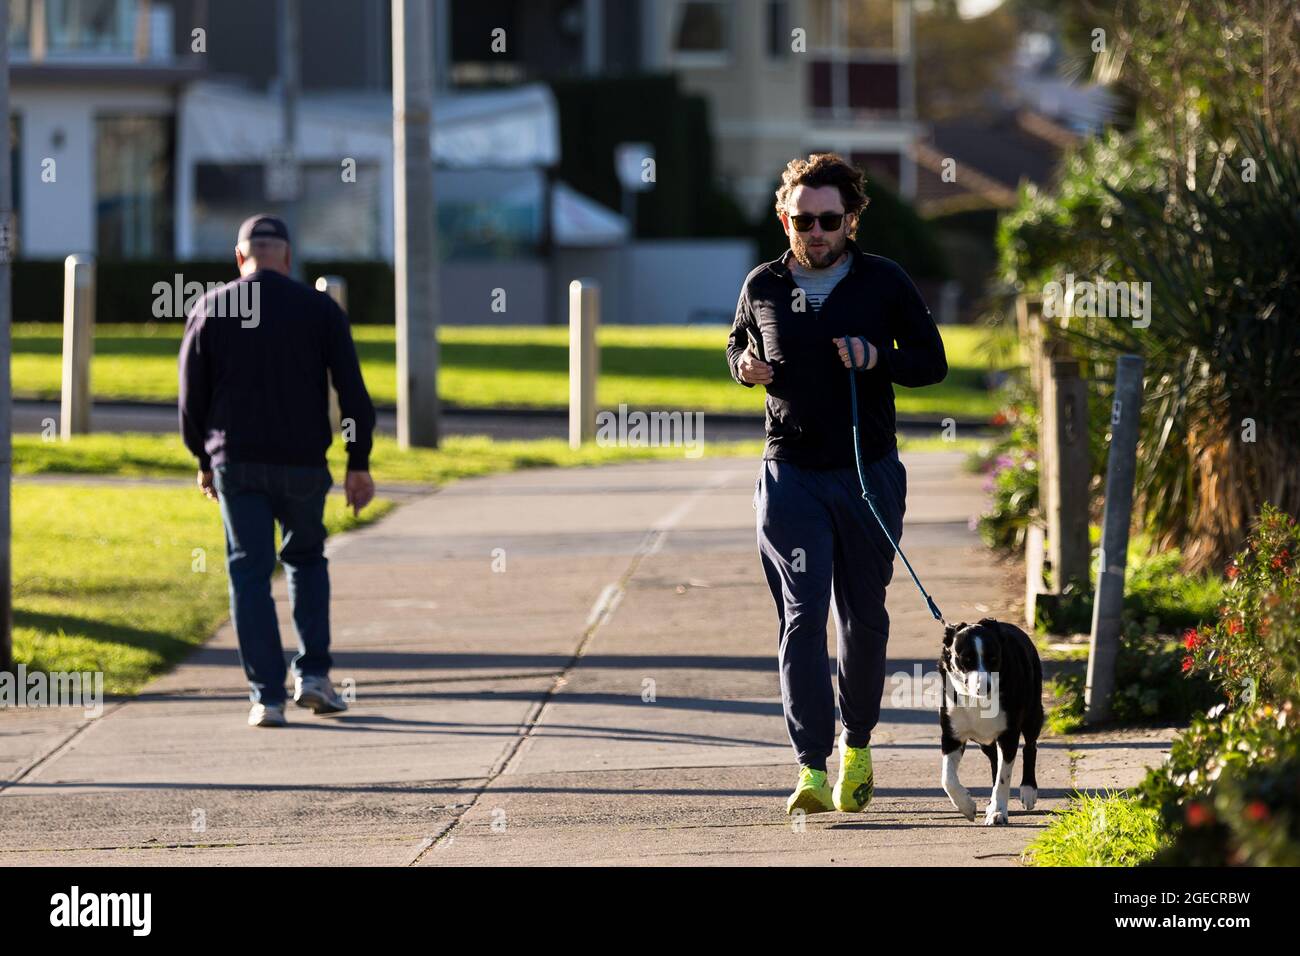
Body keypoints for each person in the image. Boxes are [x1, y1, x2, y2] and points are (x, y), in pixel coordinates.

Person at [726, 154, 948, 815]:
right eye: (802, 219)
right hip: (789, 473)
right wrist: (744, 367)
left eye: (828, 220)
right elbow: (737, 342)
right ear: (784, 217)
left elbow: (932, 362)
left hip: (867, 473)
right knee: (801, 619)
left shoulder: (883, 282)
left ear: (851, 220)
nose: (815, 231)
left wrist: (877, 357)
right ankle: (810, 768)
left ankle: (858, 746)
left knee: (863, 618)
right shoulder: (763, 284)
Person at [179, 214, 377, 727]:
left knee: (248, 570)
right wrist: (359, 464)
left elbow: (190, 400)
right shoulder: (319, 310)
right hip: (303, 463)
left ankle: (266, 697)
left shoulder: (210, 307)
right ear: (287, 257)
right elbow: (352, 394)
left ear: (239, 257)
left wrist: (203, 460)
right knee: (307, 560)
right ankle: (313, 676)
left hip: (236, 461)